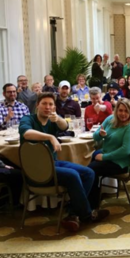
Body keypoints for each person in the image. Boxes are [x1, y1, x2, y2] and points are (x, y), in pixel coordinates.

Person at [19, 93, 109, 232]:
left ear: (54, 107)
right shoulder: (28, 119)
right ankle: (86, 215)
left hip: (53, 163)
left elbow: (65, 126)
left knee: (89, 172)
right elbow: (26, 133)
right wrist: (50, 137)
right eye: (44, 104)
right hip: (36, 169)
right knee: (73, 175)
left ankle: (72, 213)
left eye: (50, 104)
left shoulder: (52, 120)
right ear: (37, 105)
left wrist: (58, 119)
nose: (47, 107)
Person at [88, 99, 130, 208]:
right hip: (112, 154)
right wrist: (101, 135)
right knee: (93, 156)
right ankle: (94, 194)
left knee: (91, 170)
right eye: (120, 110)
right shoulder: (110, 119)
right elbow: (95, 136)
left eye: (126, 111)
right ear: (116, 111)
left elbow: (126, 150)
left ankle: (92, 203)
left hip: (124, 162)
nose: (123, 114)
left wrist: (104, 157)